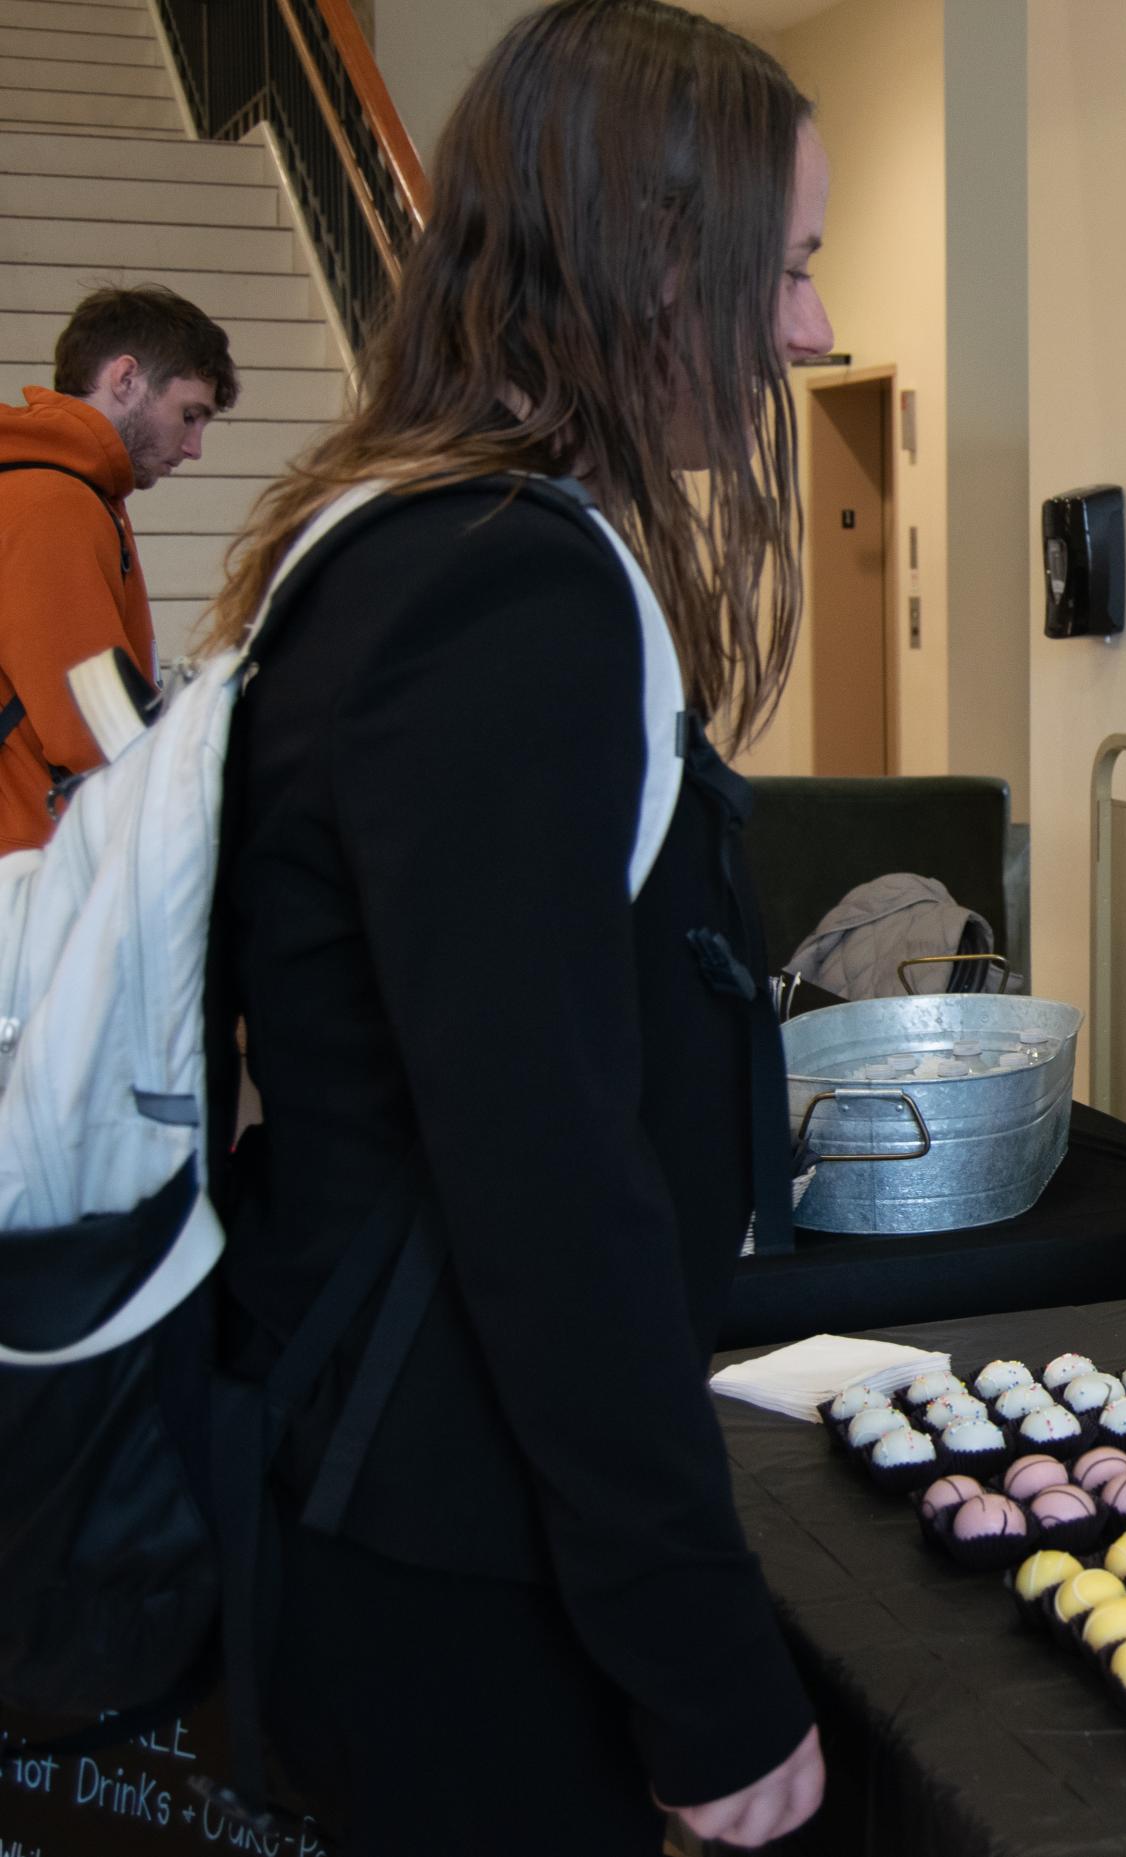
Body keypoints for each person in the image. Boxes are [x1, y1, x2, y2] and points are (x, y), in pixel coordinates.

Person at [201, 2, 831, 1849]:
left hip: (396, 1476)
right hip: (439, 1537)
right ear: (650, 252)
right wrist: (703, 1668)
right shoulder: (501, 595)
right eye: (780, 271)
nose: (803, 330)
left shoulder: (425, 549)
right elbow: (540, 1179)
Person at [0, 284, 234, 852]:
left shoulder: (69, 487)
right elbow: (92, 724)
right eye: (190, 414)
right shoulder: (52, 498)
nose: (195, 446)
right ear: (125, 378)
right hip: (30, 864)